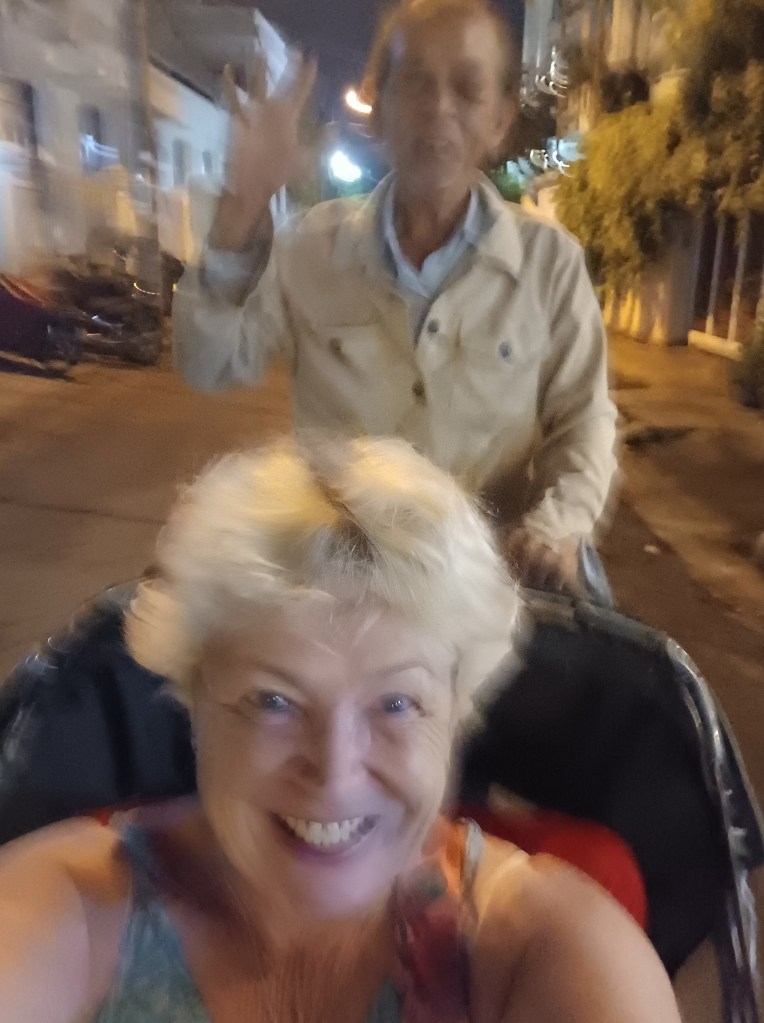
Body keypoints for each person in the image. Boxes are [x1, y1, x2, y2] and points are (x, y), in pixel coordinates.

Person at [0, 435, 679, 1022]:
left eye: (396, 704)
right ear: (193, 702)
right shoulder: (68, 910)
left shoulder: (548, 952)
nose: (334, 769)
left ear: (456, 715)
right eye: (274, 700)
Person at [172, 0, 618, 595]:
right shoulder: (308, 249)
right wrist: (241, 205)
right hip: (339, 591)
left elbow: (585, 423)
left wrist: (555, 528)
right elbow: (207, 364)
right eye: (415, 83)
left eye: (467, 89)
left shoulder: (550, 265)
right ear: (376, 109)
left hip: (486, 594)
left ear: (499, 121)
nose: (439, 108)